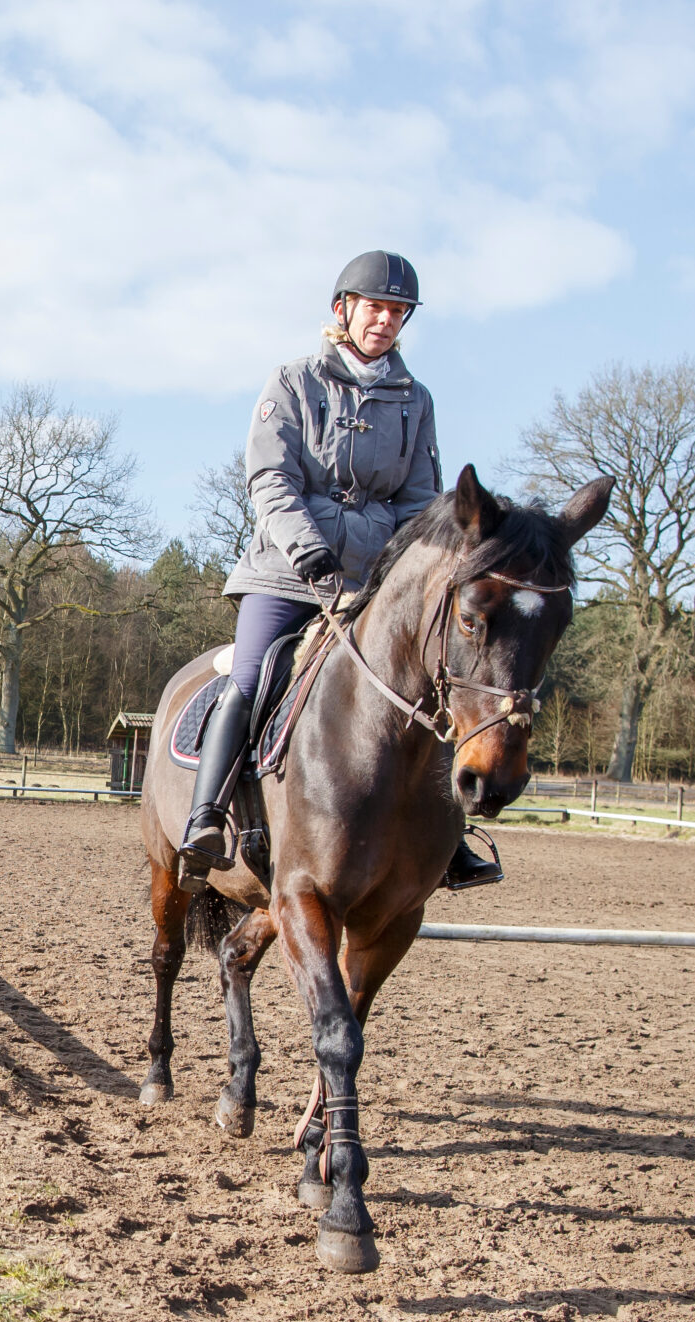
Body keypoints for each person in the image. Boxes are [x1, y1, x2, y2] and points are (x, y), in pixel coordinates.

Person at [180, 249, 502, 890]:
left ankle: (447, 840)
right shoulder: (294, 381)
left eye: (397, 312)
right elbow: (271, 480)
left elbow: (419, 503)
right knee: (252, 677)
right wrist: (313, 556)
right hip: (287, 571)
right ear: (344, 311)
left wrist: (410, 574)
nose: (385, 320)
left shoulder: (416, 400)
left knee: (431, 685)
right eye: (375, 307)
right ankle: (206, 815)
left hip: (375, 582)